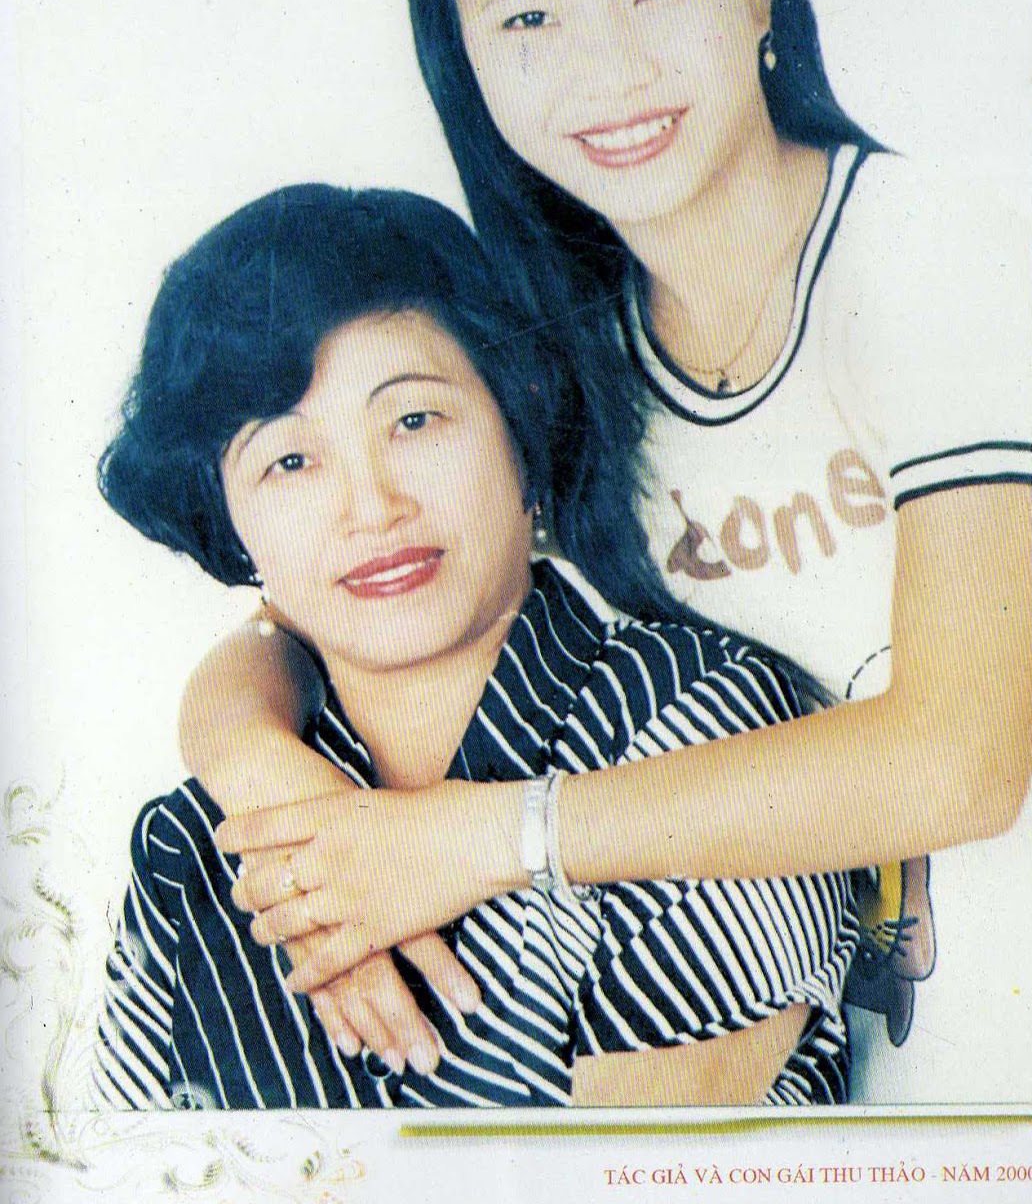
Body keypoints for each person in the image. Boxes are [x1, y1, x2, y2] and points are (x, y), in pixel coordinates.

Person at [181, 0, 1032, 1103]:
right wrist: (271, 790)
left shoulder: (922, 250)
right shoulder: (567, 356)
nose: (609, 67)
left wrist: (475, 840)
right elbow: (292, 617)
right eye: (528, 19)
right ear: (463, 60)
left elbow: (962, 758)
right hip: (873, 1095)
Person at [91, 183, 857, 1111]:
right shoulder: (191, 843)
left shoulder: (700, 725)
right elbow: (118, 1166)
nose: (373, 508)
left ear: (519, 419)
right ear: (228, 517)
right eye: (289, 461)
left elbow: (627, 1169)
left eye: (414, 421)